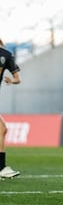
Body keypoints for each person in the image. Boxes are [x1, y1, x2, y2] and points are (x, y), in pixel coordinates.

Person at [0, 39, 21, 179]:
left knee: (3, 129)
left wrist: (11, 80)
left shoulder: (6, 54)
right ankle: (1, 168)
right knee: (1, 129)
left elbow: (17, 79)